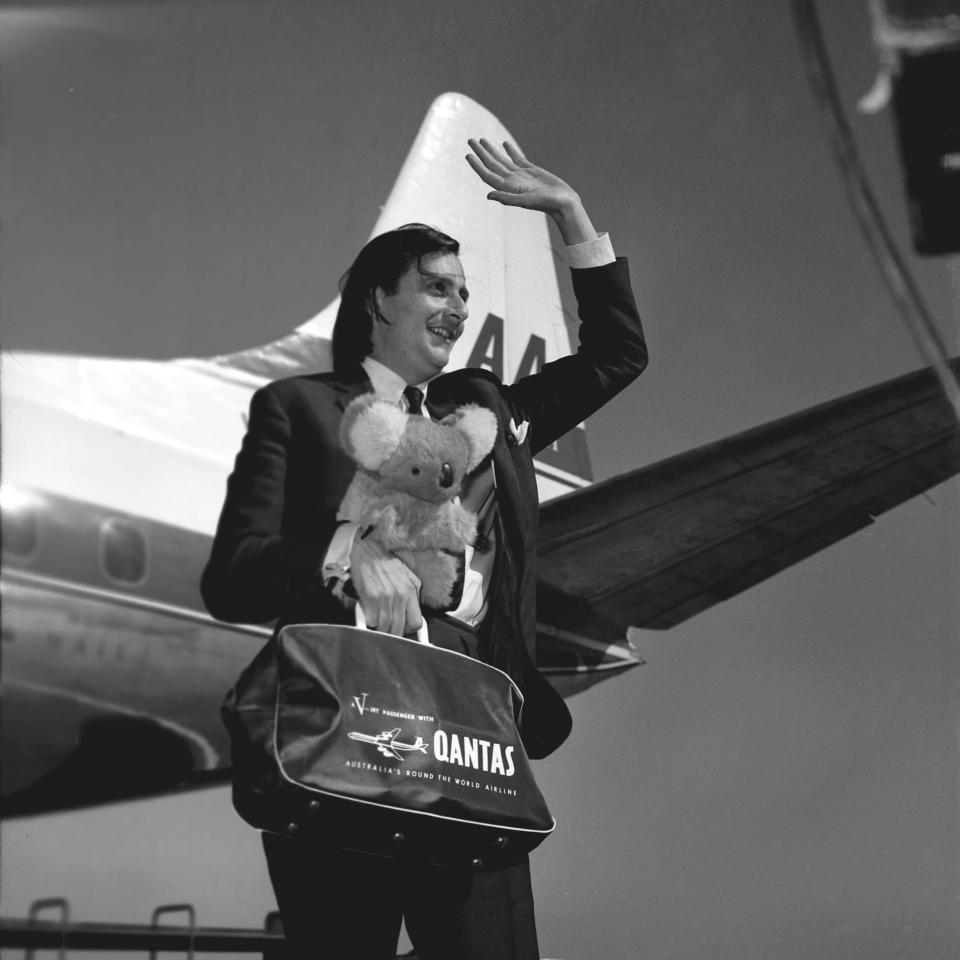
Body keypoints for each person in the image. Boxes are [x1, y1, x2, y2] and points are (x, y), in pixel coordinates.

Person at [201, 137, 647, 960]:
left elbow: (620, 356)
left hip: (467, 744)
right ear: (379, 299)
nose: (457, 307)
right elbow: (233, 574)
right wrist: (346, 550)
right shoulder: (297, 410)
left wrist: (570, 216)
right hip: (339, 736)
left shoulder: (485, 412)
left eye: (465, 294)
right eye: (437, 288)